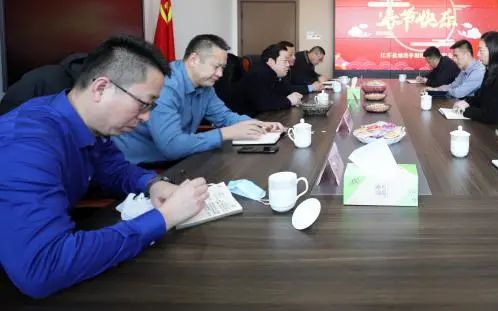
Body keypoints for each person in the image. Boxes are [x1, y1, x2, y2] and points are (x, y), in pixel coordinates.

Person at [0, 36, 210, 298]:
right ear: (101, 88)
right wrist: (164, 218)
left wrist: (154, 184)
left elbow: (113, 168)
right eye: (144, 104)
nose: (147, 117)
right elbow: (43, 267)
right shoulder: (28, 144)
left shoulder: (87, 122)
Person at [114, 35, 283, 165]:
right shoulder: (165, 86)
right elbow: (172, 146)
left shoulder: (205, 86)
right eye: (216, 66)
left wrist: (259, 125)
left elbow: (225, 117)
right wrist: (226, 133)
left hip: (181, 158)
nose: (220, 74)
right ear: (193, 60)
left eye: (222, 68)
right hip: (144, 166)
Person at [453, 32, 498, 134]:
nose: (478, 55)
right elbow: (480, 96)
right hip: (491, 127)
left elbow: (493, 115)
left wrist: (465, 110)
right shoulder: (491, 71)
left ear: (494, 50)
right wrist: (466, 102)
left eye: (481, 50)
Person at [231, 43, 304, 116]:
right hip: (245, 119)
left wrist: (293, 97)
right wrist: (289, 101)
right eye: (285, 61)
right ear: (271, 61)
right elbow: (263, 103)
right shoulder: (259, 73)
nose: (288, 65)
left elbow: (280, 93)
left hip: (261, 116)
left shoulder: (273, 73)